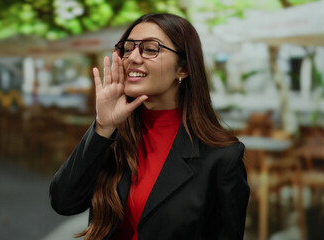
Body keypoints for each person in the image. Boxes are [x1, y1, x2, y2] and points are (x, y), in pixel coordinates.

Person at [50, 13, 249, 240]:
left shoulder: (223, 157)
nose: (133, 57)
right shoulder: (113, 136)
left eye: (151, 49)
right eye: (127, 48)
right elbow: (63, 202)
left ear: (183, 69)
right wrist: (103, 126)